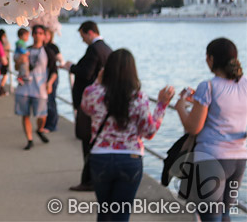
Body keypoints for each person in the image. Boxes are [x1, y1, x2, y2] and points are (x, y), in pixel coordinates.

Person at [81, 49, 175, 221]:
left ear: (106, 70)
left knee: (104, 211)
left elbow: (86, 108)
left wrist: (97, 81)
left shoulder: (93, 93)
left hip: (100, 158)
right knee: (121, 214)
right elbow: (149, 132)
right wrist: (161, 105)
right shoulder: (139, 97)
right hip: (130, 159)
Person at [175, 38, 247, 222]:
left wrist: (181, 106)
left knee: (210, 217)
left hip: (211, 160)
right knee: (225, 215)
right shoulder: (245, 84)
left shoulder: (208, 86)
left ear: (211, 59)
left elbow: (193, 127)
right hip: (238, 160)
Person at [61, 21, 112, 191]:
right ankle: (99, 177)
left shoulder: (94, 49)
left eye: (82, 36)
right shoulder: (107, 48)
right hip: (103, 102)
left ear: (90, 33)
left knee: (87, 140)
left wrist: (71, 67)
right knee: (97, 140)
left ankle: (89, 180)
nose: (82, 40)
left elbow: (86, 73)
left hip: (91, 104)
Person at [14, 25, 56, 150]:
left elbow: (54, 71)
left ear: (44, 36)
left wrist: (50, 83)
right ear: (32, 35)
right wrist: (19, 62)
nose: (38, 35)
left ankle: (39, 129)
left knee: (42, 115)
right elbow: (16, 68)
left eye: (40, 33)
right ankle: (29, 139)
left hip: (40, 87)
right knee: (25, 114)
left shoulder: (48, 52)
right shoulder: (24, 49)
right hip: (25, 87)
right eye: (35, 33)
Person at [44, 27, 63, 132]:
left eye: (47, 34)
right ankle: (46, 123)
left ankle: (52, 124)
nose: (45, 37)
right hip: (44, 76)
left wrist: (60, 63)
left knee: (51, 100)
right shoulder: (41, 47)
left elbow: (61, 59)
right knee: (46, 101)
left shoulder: (53, 47)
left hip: (52, 75)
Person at [0, 29, 11, 94]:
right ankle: (1, 86)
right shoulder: (5, 40)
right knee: (5, 74)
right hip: (5, 59)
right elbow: (9, 47)